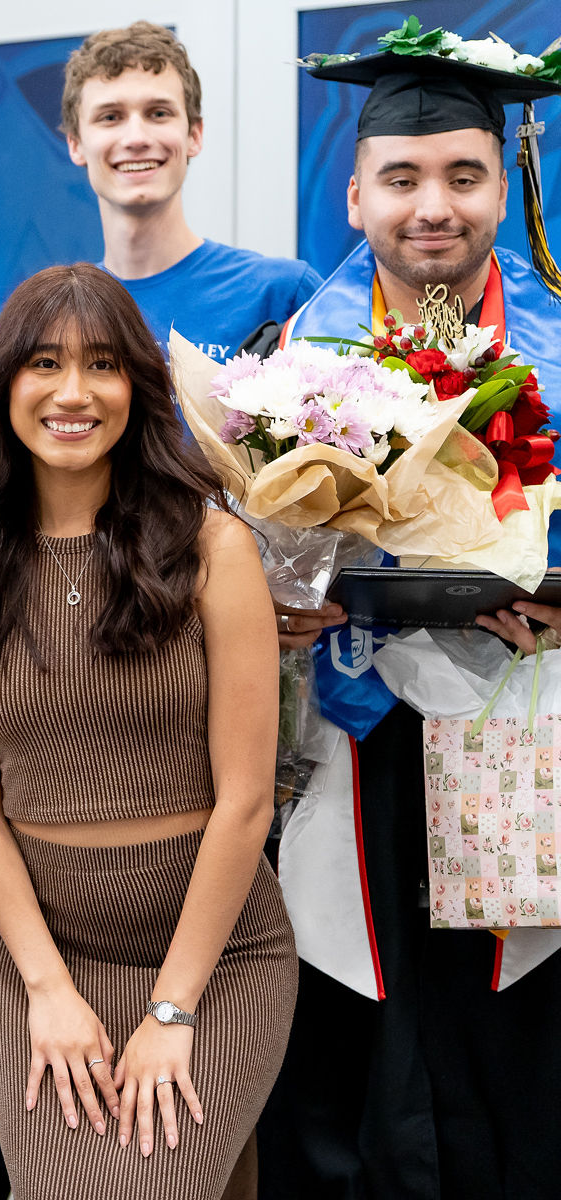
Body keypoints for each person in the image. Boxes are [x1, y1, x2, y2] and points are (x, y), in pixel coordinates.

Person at [260, 38, 561, 1199]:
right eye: (401, 178)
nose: (431, 208)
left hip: (525, 738)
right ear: (355, 192)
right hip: (353, 736)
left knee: (522, 1037)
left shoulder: (557, 342)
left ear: (504, 181)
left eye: (462, 176)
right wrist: (275, 596)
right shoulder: (291, 358)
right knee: (352, 1033)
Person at [0, 264, 293, 1199]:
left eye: (103, 364)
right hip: (40, 953)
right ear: (5, 386)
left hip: (213, 954)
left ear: (140, 386)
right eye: (44, 362)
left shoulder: (214, 548)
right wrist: (46, 989)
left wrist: (173, 1008)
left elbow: (246, 800)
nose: (74, 392)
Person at [60, 23, 321, 364]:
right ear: (76, 144)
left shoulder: (282, 293)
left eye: (158, 113)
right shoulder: (60, 310)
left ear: (194, 135)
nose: (136, 138)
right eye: (111, 117)